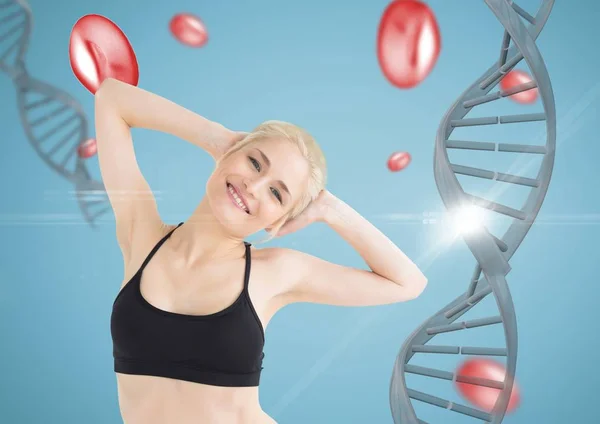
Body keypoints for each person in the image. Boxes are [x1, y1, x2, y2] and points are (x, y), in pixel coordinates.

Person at [95, 77, 428, 424]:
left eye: (277, 194)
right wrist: (214, 135)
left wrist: (330, 209)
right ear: (228, 153)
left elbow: (407, 283)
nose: (253, 187)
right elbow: (112, 99)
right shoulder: (142, 236)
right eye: (255, 163)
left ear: (278, 222)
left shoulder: (276, 271)